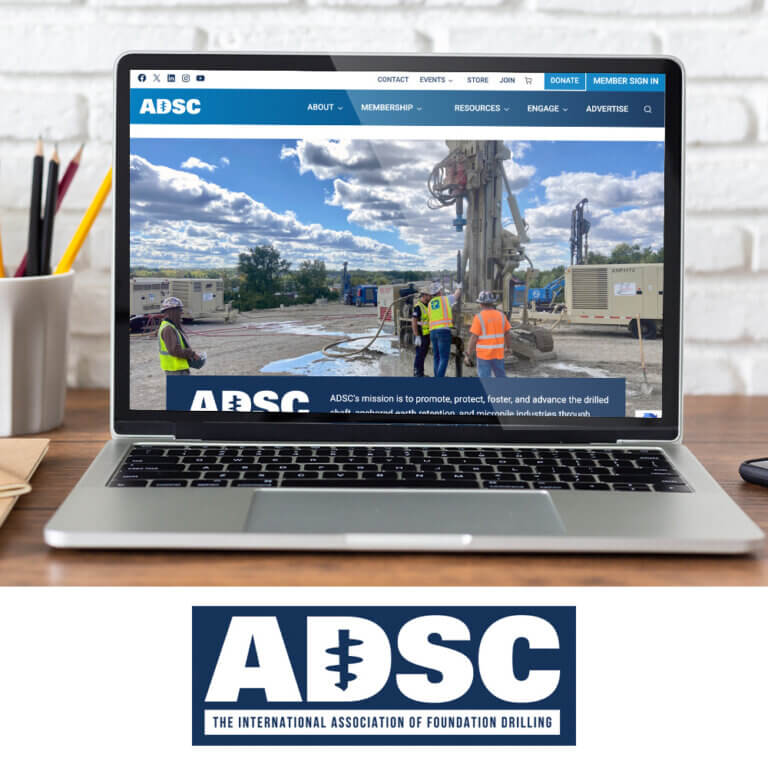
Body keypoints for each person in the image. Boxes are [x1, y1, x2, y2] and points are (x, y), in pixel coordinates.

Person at [465, 291, 513, 378]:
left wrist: (468, 354)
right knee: (501, 377)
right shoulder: (501, 316)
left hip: (483, 355)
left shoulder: (479, 317)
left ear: (480, 304)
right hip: (498, 354)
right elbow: (507, 333)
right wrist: (508, 348)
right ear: (492, 303)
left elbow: (474, 338)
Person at [426, 281, 462, 378]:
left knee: (436, 357)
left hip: (433, 332)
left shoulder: (430, 304)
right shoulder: (445, 299)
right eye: (441, 290)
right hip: (443, 331)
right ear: (439, 291)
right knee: (444, 358)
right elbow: (456, 295)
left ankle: (437, 377)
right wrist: (459, 287)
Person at [157, 296, 200, 375]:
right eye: (179, 310)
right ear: (172, 311)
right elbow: (175, 350)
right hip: (176, 370)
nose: (181, 313)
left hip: (177, 369)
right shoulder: (168, 328)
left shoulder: (171, 326)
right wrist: (192, 354)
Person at [411, 289, 432, 377]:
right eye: (429, 295)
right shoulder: (418, 306)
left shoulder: (427, 305)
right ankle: (417, 373)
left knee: (423, 355)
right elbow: (414, 321)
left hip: (426, 334)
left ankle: (421, 373)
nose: (430, 297)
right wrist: (417, 336)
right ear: (424, 295)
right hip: (420, 334)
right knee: (419, 354)